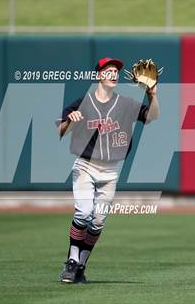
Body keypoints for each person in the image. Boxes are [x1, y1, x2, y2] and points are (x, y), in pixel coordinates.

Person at [56, 57, 159, 283]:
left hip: (110, 171)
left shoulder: (125, 104)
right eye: (108, 70)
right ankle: (72, 261)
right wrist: (69, 122)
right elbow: (60, 130)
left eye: (115, 71)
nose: (113, 73)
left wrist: (152, 95)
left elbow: (151, 117)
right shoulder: (83, 102)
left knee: (98, 221)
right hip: (85, 165)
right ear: (98, 76)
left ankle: (81, 265)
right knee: (83, 213)